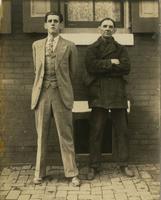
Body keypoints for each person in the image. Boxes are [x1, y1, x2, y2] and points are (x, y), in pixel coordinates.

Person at [31, 11, 80, 186]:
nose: (53, 24)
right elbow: (37, 70)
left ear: (61, 25)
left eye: (56, 21)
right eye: (49, 21)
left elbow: (73, 73)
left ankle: (72, 173)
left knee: (65, 135)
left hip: (61, 94)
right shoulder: (36, 45)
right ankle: (39, 173)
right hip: (42, 94)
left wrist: (62, 86)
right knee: (41, 135)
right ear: (45, 25)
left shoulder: (70, 46)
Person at [85, 18, 134, 180]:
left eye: (110, 27)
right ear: (99, 29)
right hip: (99, 94)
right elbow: (91, 67)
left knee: (122, 131)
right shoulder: (92, 48)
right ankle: (93, 166)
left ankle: (124, 164)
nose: (107, 29)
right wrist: (111, 62)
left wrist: (103, 67)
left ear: (114, 30)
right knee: (96, 131)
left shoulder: (121, 49)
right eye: (104, 26)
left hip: (117, 93)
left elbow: (126, 68)